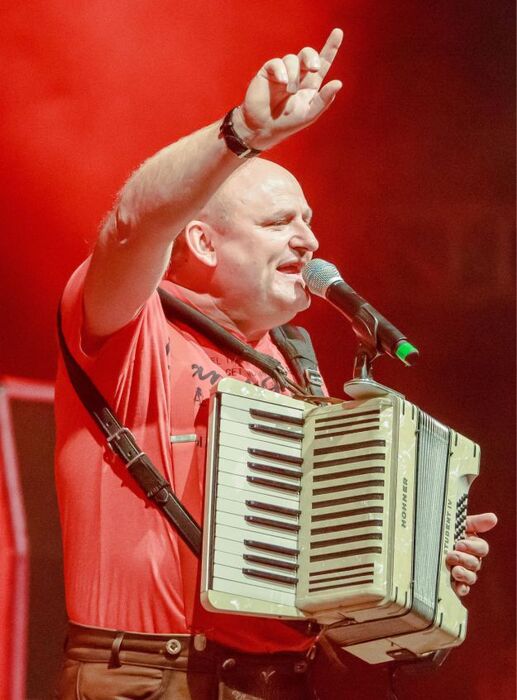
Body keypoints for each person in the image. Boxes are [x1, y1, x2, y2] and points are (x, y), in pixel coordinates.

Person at [54, 28, 497, 700]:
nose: (307, 238)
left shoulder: (297, 371)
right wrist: (240, 134)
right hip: (150, 677)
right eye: (278, 222)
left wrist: (418, 576)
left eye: (309, 221)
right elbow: (132, 223)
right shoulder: (131, 322)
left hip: (279, 685)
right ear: (201, 240)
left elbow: (330, 598)